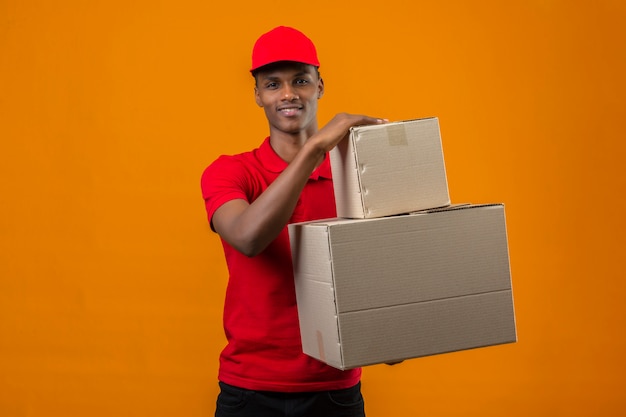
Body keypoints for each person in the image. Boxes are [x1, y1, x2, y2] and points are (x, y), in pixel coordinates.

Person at [200, 26, 387, 417]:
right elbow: (249, 238)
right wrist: (316, 148)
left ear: (320, 86)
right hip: (248, 389)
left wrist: (391, 328)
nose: (288, 94)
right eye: (273, 84)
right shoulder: (230, 172)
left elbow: (381, 269)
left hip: (335, 389)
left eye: (300, 80)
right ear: (258, 96)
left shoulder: (357, 177)